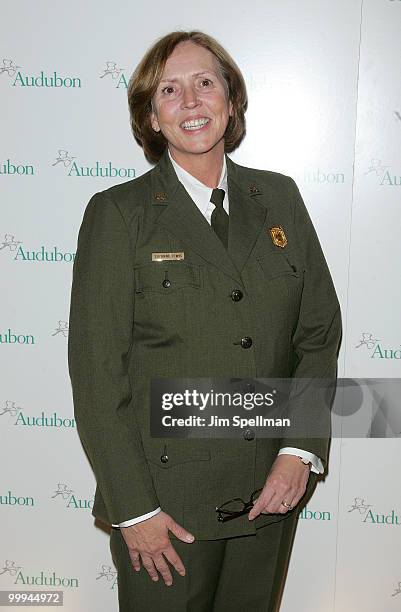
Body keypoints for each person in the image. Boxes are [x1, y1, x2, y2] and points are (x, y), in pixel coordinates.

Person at [68, 29, 342, 612]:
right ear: (151, 115)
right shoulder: (120, 215)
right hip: (166, 514)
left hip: (269, 495)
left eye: (204, 83)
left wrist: (299, 451)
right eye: (170, 90)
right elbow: (97, 375)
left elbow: (317, 334)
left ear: (231, 100)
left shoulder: (281, 199)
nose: (190, 102)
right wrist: (134, 511)